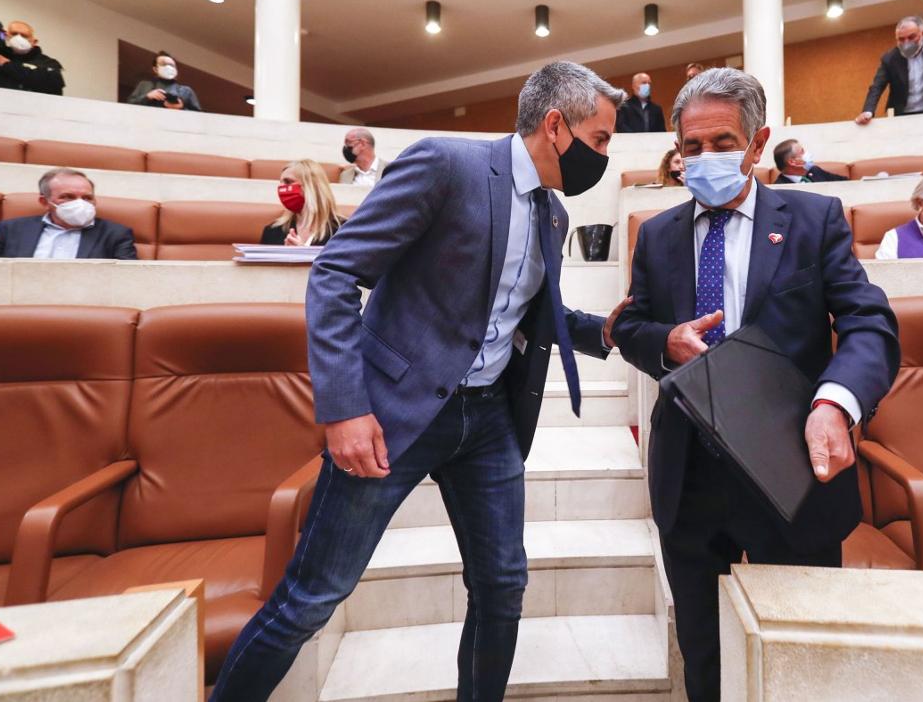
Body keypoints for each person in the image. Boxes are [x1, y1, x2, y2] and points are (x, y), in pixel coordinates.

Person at [209, 61, 635, 702]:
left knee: (502, 586)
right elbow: (334, 274)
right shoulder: (445, 164)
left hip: (488, 421)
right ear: (556, 126)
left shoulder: (554, 217)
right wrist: (345, 408)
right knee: (311, 598)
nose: (604, 154)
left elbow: (530, 312)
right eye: (601, 138)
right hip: (391, 415)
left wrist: (604, 331)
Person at [611, 68, 901, 701]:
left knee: (801, 658)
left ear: (756, 142)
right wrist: (665, 342)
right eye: (692, 147)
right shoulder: (658, 234)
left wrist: (835, 404)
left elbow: (867, 322)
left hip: (791, 471)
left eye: (721, 143)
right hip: (689, 479)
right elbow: (631, 324)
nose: (706, 158)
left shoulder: (813, 218)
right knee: (706, 657)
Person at [0, 167, 137, 259]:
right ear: (44, 202)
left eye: (87, 198)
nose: (80, 203)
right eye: (67, 197)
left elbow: (127, 280)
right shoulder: (9, 230)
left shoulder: (116, 234)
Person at [0, 20, 64, 95]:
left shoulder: (47, 62)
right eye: (14, 34)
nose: (18, 38)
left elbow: (53, 82)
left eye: (24, 35)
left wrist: (7, 65)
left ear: (34, 42)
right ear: (6, 36)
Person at [261, 159, 347, 246]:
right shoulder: (272, 231)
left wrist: (303, 252)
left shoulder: (343, 230)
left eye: (288, 182)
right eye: (281, 183)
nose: (281, 188)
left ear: (311, 186)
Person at [125, 51, 202, 111]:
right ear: (155, 69)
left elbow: (201, 118)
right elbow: (128, 107)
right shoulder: (144, 85)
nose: (168, 67)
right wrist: (148, 97)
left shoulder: (186, 91)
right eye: (164, 64)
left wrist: (181, 107)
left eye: (172, 65)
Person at [772, 138, 846, 183]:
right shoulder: (780, 187)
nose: (807, 154)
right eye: (802, 152)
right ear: (792, 162)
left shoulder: (815, 170)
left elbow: (845, 182)